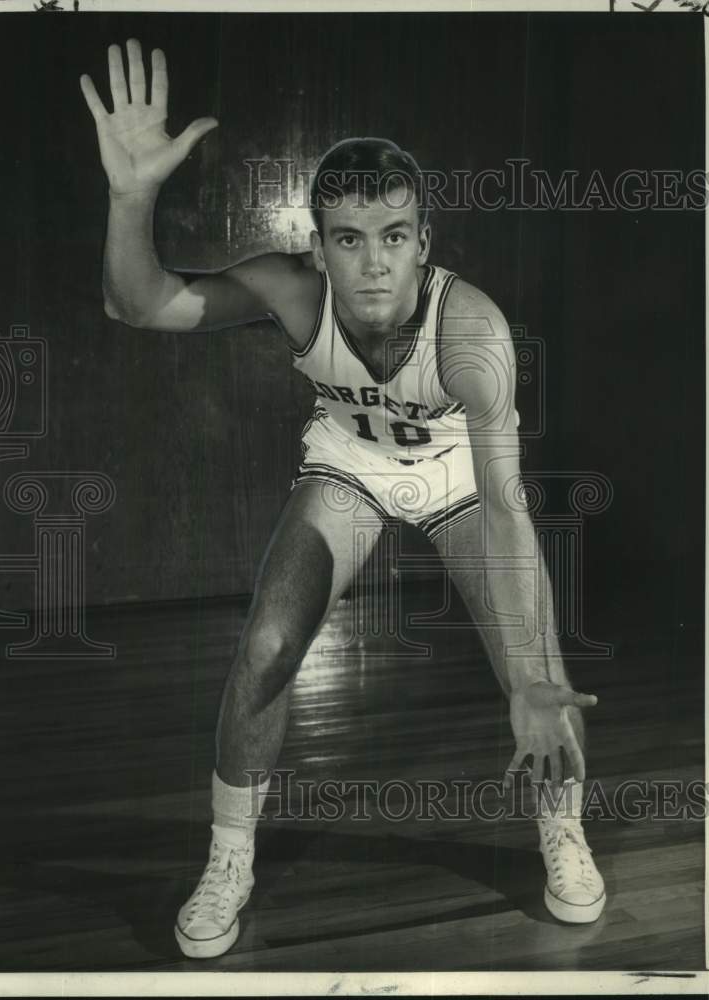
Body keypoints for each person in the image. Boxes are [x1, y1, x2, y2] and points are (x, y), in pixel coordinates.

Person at [81, 39, 606, 960]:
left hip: (457, 480)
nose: (373, 267)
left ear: (424, 243)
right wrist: (132, 199)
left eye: (394, 239)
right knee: (268, 643)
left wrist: (525, 675)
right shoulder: (292, 292)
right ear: (318, 246)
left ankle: (563, 828)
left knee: (539, 658)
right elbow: (138, 305)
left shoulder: (472, 333)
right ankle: (229, 855)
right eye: (350, 241)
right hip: (350, 469)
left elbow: (509, 507)